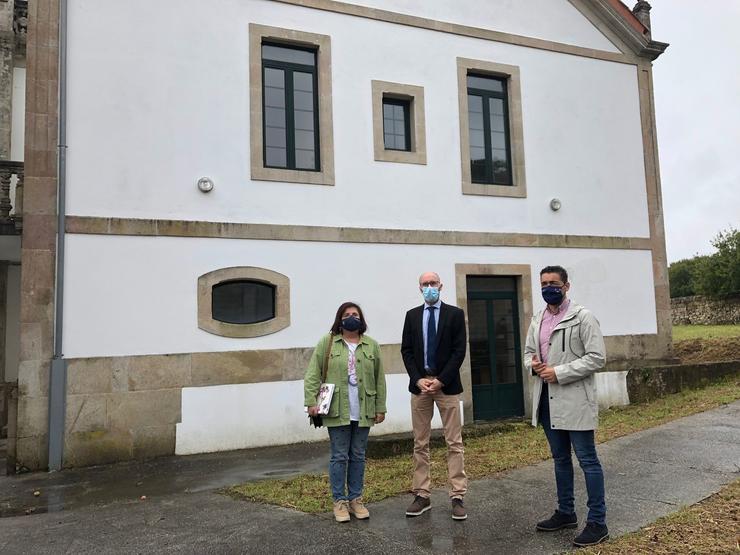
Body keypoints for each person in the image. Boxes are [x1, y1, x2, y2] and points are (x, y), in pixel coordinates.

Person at [524, 265, 609, 547]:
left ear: (566, 286)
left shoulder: (583, 318)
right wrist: (534, 366)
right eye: (544, 283)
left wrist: (559, 372)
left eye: (554, 283)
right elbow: (527, 353)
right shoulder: (537, 319)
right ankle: (566, 512)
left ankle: (598, 522)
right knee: (560, 459)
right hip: (547, 399)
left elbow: (597, 358)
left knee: (587, 460)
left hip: (575, 400)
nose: (549, 287)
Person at [304, 302, 387, 523]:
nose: (352, 318)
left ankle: (356, 499)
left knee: (358, 456)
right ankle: (339, 501)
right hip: (336, 409)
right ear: (340, 319)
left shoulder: (371, 345)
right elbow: (313, 372)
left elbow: (380, 378)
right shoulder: (328, 342)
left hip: (363, 409)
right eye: (347, 314)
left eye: (356, 315)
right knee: (339, 456)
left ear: (362, 320)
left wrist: (380, 407)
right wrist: (310, 400)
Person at [401, 271, 468, 520]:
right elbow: (406, 351)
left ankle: (458, 496)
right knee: (420, 443)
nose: (429, 287)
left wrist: (441, 380)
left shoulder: (455, 314)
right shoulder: (412, 316)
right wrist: (418, 379)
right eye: (425, 284)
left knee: (454, 442)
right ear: (419, 288)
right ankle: (422, 494)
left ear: (441, 286)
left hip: (446, 387)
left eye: (433, 283)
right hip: (420, 388)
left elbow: (459, 350)